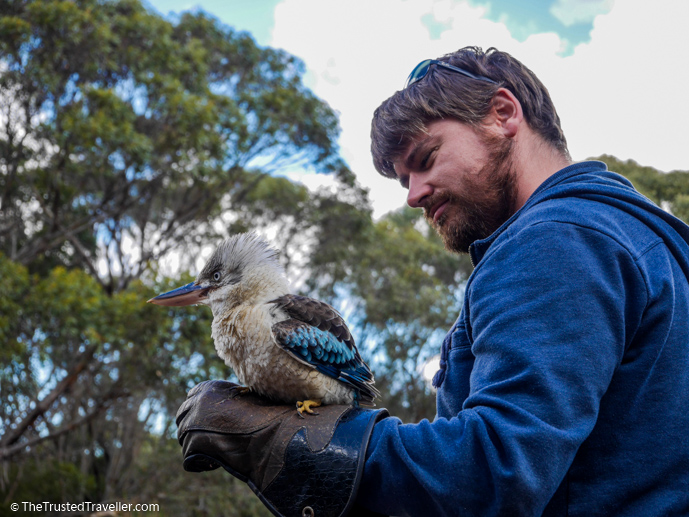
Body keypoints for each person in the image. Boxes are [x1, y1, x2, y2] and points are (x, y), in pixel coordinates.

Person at [175, 46, 689, 516]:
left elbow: (493, 476)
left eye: (426, 160)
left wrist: (281, 438)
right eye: (403, 180)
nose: (413, 195)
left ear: (503, 114)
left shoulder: (554, 242)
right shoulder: (644, 238)